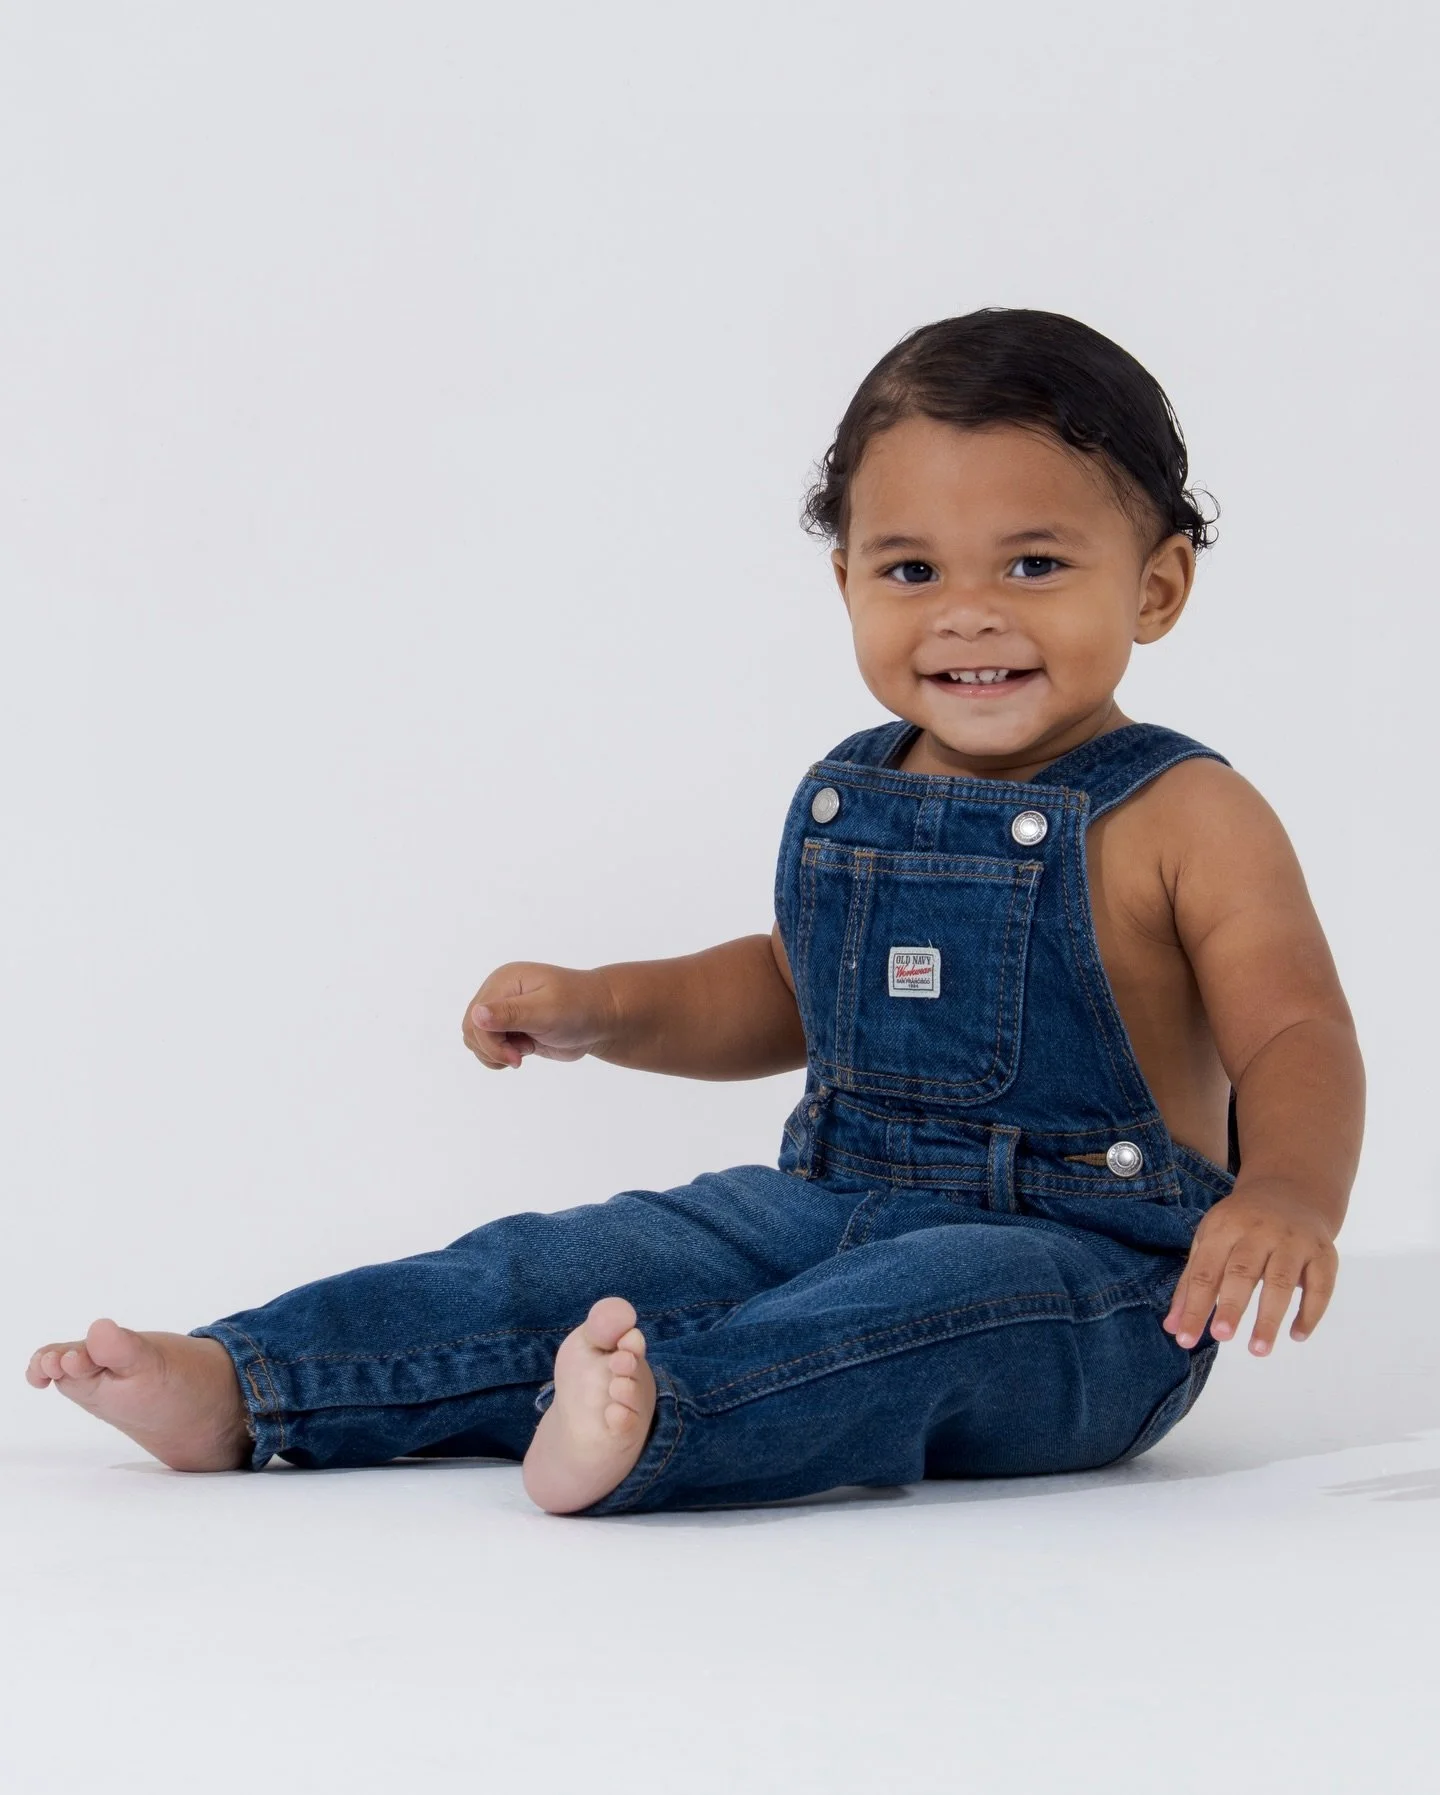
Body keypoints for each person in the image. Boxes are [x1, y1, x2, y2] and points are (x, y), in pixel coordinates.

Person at [26, 307, 1366, 1517]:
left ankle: (665, 1415)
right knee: (568, 1259)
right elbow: (792, 990)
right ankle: (254, 1383)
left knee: (907, 1317)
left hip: (1100, 1281)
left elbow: (1296, 1025)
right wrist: (612, 1005)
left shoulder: (1186, 813)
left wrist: (1294, 1191)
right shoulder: (853, 790)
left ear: (1156, 587)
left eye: (1030, 565)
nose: (967, 614)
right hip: (827, 1195)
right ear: (845, 579)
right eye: (911, 571)